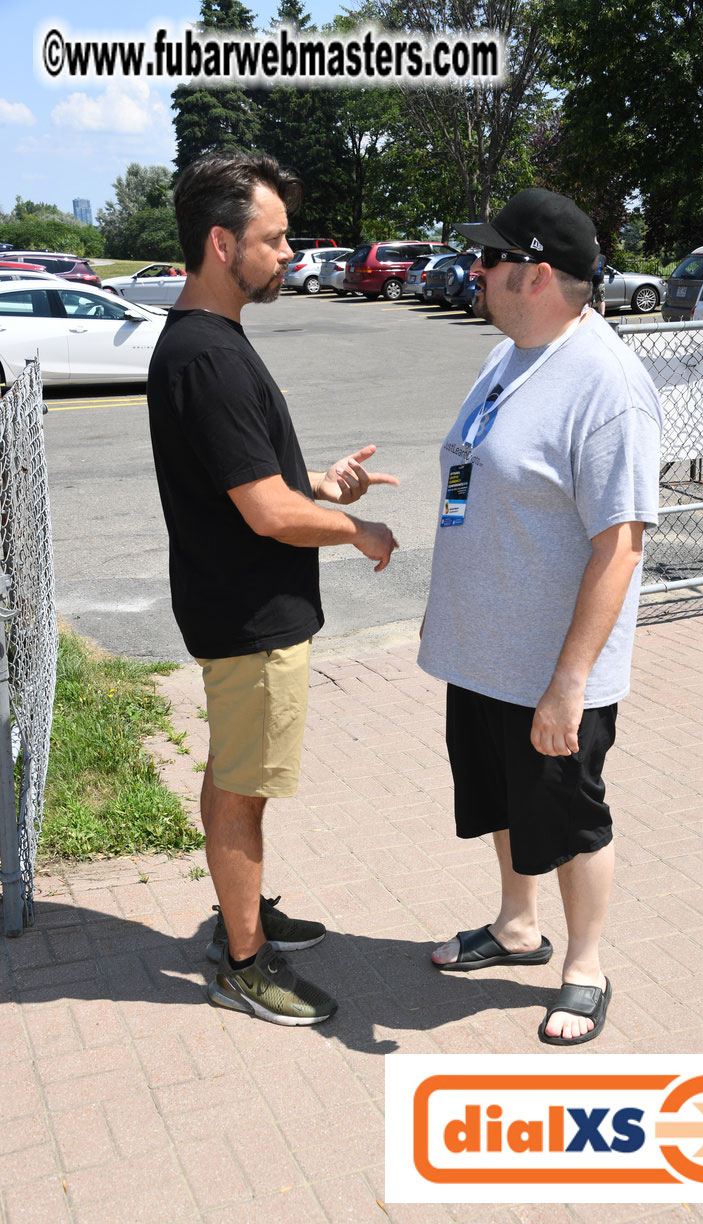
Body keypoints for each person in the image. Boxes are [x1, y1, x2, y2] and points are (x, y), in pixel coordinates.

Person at [147, 151, 398, 1027]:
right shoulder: (206, 356)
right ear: (223, 244)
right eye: (275, 237)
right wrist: (359, 531)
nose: (290, 252)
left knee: (233, 777)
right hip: (251, 621)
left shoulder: (208, 343)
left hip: (238, 610)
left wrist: (322, 487)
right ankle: (244, 962)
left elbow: (256, 483)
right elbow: (263, 512)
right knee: (242, 794)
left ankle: (242, 913)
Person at [417, 188, 662, 1045]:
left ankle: (585, 966)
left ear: (537, 276)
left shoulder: (608, 384)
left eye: (489, 259)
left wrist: (569, 684)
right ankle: (518, 927)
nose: (474, 270)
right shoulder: (510, 353)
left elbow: (621, 546)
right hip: (483, 651)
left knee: (568, 816)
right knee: (500, 802)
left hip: (551, 668)